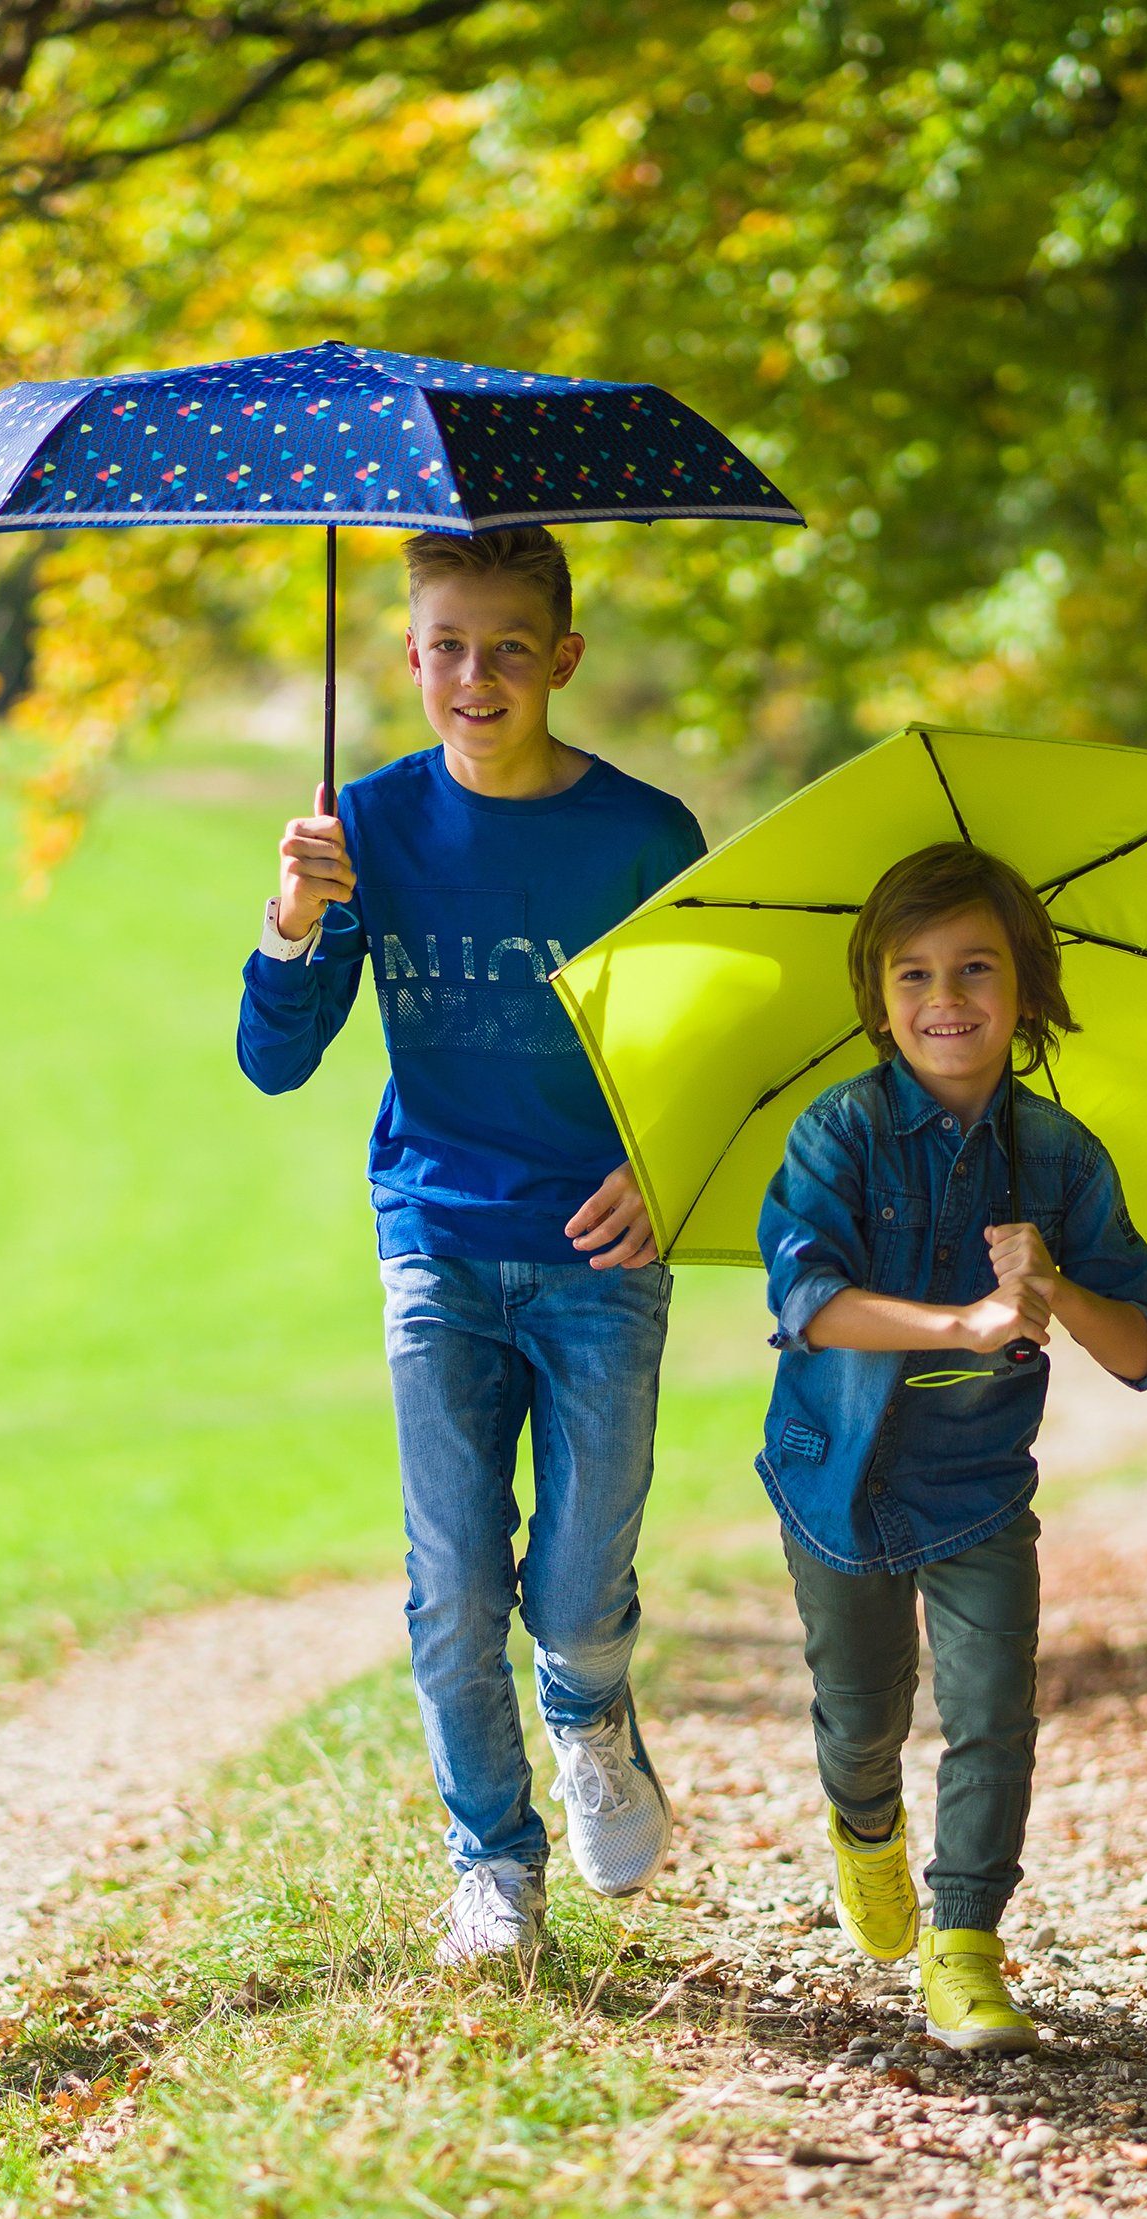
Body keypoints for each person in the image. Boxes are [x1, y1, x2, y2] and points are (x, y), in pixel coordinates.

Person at [238, 526, 704, 1967]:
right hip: (437, 1232)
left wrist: (663, 1168)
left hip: (598, 1250)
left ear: (563, 659)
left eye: (509, 645)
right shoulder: (363, 828)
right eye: (447, 643)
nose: (477, 674)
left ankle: (592, 1712)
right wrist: (298, 919)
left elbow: (712, 1046)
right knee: (452, 1580)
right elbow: (274, 1059)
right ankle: (492, 1864)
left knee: (574, 1579)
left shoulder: (644, 835)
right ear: (409, 657)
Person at [754, 842, 1147, 2053]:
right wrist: (965, 1320)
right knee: (862, 1706)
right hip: (837, 1473)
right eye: (915, 974)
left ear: (1024, 988)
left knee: (991, 1709)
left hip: (980, 1483)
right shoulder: (839, 1134)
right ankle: (863, 1822)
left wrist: (1054, 1288)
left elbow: (1138, 1345)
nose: (947, 999)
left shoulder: (1062, 1158)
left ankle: (968, 1946)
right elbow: (808, 1303)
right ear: (878, 999)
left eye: (976, 967)